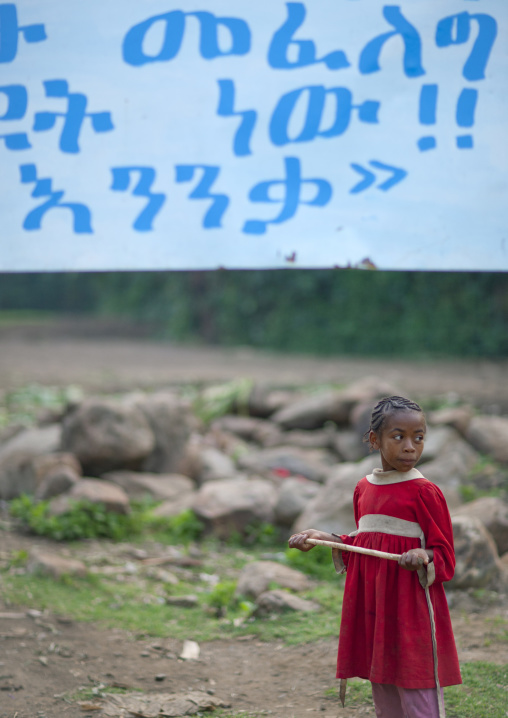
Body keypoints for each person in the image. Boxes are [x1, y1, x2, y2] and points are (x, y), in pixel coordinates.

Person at [288, 395, 461, 718]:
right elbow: (367, 544)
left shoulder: (425, 492)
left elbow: (445, 555)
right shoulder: (363, 489)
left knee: (415, 679)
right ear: (374, 440)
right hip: (376, 606)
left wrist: (422, 554)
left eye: (418, 437)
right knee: (382, 679)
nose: (410, 446)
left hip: (411, 607)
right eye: (398, 437)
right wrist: (328, 539)